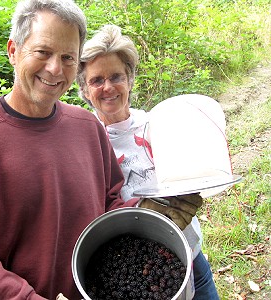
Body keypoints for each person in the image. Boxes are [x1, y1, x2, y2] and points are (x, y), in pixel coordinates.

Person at [0, 0, 202, 298]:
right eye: (42, 52)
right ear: (13, 51)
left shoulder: (87, 127)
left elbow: (108, 206)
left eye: (68, 57)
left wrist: (146, 214)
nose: (55, 68)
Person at [76, 24, 219, 300]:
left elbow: (190, 175)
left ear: (129, 79)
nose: (108, 87)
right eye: (96, 80)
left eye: (116, 76)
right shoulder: (84, 142)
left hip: (190, 256)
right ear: (84, 89)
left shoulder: (157, 126)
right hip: (131, 277)